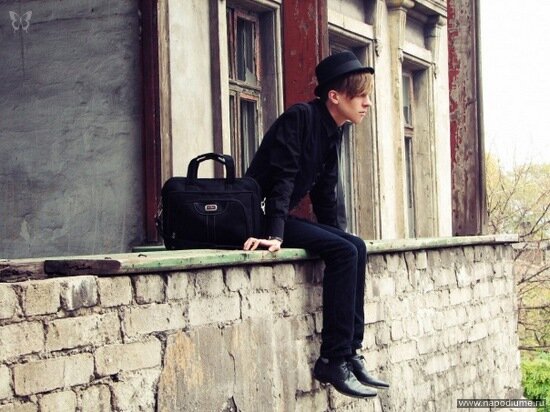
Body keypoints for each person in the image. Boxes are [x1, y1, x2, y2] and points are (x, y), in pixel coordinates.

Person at [243, 51, 389, 399]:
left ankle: (350, 353)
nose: (367, 103)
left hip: (275, 216)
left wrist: (338, 234)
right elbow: (282, 177)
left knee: (355, 246)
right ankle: (331, 360)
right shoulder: (300, 118)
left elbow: (325, 192)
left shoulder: (333, 130)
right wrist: (274, 234)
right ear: (334, 96)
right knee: (344, 251)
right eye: (361, 95)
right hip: (259, 217)